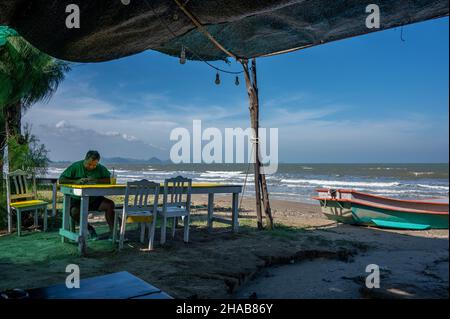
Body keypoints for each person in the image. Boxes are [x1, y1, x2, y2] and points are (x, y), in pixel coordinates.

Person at [59, 150, 115, 239]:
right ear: (85, 159)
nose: (91, 167)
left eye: (94, 165)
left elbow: (109, 179)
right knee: (74, 212)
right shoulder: (76, 166)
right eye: (89, 164)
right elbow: (61, 180)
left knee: (110, 204)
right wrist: (75, 181)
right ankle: (90, 229)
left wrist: (96, 180)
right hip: (77, 200)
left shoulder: (100, 168)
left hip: (94, 199)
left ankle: (114, 233)